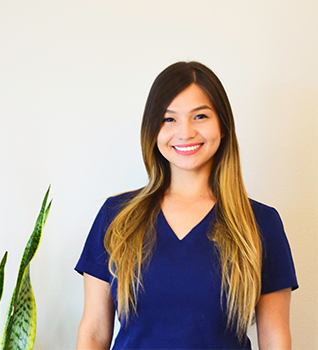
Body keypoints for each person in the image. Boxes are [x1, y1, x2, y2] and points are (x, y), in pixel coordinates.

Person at [75, 61, 298, 350]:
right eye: (169, 119)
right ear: (153, 130)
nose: (185, 132)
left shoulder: (260, 223)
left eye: (200, 116)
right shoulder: (116, 216)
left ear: (223, 125)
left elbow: (275, 338)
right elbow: (93, 332)